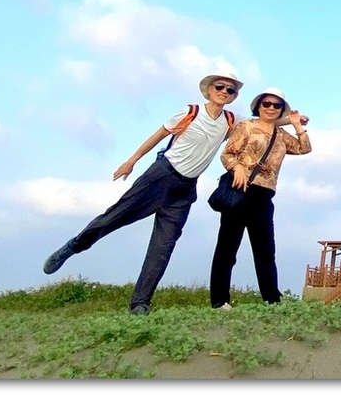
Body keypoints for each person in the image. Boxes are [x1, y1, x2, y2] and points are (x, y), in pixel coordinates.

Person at [41, 71, 251, 315]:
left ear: (235, 96)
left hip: (185, 190)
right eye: (220, 86)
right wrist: (131, 161)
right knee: (113, 218)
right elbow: (158, 135)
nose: (224, 92)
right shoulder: (190, 112)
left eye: (230, 90)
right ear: (209, 89)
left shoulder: (230, 120)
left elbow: (263, 121)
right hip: (160, 176)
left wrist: (290, 119)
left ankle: (140, 303)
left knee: (163, 247)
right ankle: (72, 247)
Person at [209, 87, 311, 309]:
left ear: (282, 109)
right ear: (258, 106)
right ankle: (219, 300)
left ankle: (272, 300)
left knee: (265, 251)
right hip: (240, 189)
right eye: (267, 103)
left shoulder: (282, 135)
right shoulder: (246, 126)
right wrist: (237, 168)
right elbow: (227, 153)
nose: (271, 108)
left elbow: (304, 148)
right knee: (227, 248)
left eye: (277, 105)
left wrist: (296, 125)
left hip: (264, 196)